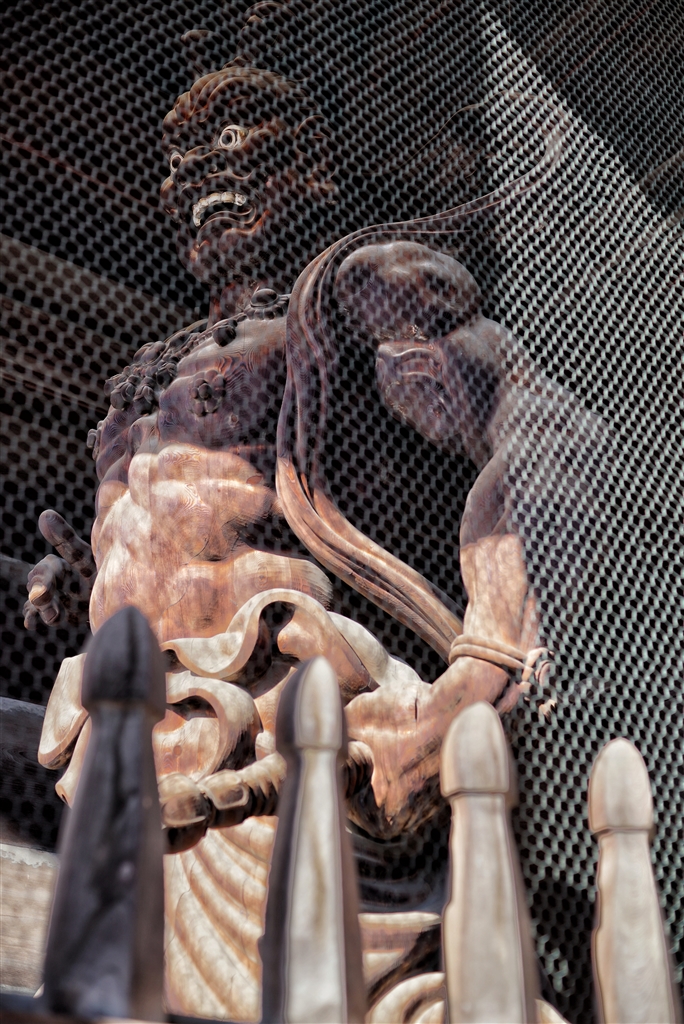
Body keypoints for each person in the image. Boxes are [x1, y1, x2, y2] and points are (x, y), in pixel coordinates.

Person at [25, 59, 553, 1021]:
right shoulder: (150, 370)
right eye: (183, 156)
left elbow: (541, 433)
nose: (201, 170)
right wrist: (86, 575)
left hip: (282, 719)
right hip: (127, 736)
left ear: (309, 167)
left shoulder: (352, 292)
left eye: (234, 135)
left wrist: (484, 669)